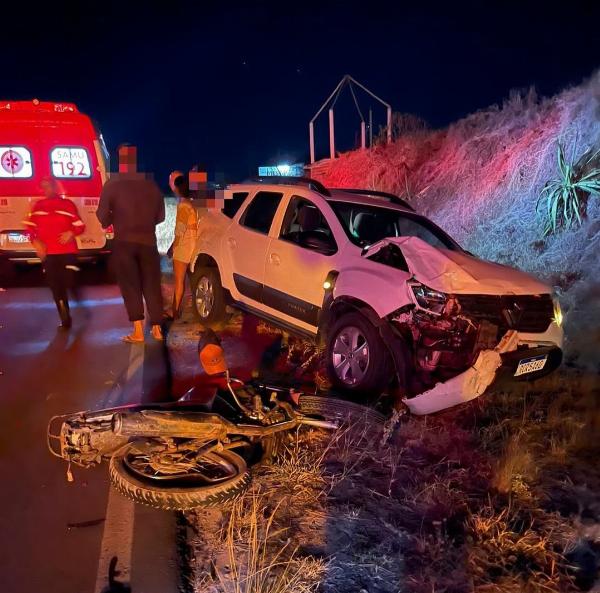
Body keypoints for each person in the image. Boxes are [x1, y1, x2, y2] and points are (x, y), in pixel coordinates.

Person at [97, 144, 165, 343]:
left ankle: (137, 330)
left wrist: (110, 221)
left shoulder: (112, 184)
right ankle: (158, 329)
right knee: (152, 285)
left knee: (130, 285)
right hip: (148, 243)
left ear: (120, 160)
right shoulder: (151, 184)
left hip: (124, 242)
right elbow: (161, 216)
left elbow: (102, 215)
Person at [23, 177, 85, 329]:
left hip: (67, 252)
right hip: (49, 254)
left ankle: (72, 296)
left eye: (49, 186)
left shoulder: (67, 204)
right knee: (55, 287)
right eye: (43, 187)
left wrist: (71, 232)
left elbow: (80, 226)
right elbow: (29, 229)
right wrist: (36, 243)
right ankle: (65, 317)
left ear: (56, 188)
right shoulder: (38, 206)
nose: (46, 190)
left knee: (68, 282)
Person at [168, 172, 198, 319]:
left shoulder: (183, 205)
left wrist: (174, 246)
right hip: (192, 243)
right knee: (186, 280)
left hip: (184, 246)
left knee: (179, 280)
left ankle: (175, 310)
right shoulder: (191, 204)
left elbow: (179, 229)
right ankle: (178, 308)